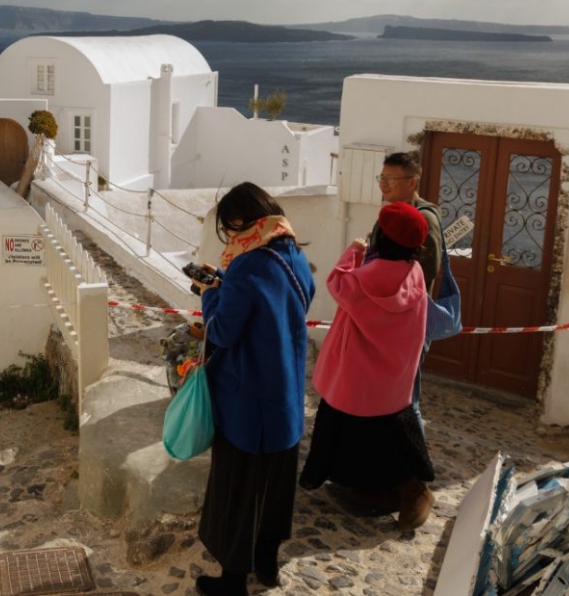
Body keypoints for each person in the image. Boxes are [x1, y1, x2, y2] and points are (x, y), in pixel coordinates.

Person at [188, 182, 316, 596]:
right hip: (285, 398)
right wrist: (226, 283)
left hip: (246, 400)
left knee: (238, 489)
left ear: (242, 221)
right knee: (274, 489)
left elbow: (223, 331)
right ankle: (268, 565)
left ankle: (232, 581)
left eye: (230, 226)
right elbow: (272, 304)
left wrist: (210, 294)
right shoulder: (294, 256)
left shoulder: (246, 266)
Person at [299, 201, 436, 531]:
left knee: (352, 428)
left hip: (357, 372)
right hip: (394, 371)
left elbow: (336, 283)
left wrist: (353, 252)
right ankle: (390, 488)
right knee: (388, 432)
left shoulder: (362, 280)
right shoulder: (414, 273)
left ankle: (404, 489)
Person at [370, 150, 443, 415]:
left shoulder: (423, 219)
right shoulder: (392, 214)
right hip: (387, 319)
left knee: (405, 399)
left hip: (407, 321)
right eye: (382, 177)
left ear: (412, 182)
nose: (383, 184)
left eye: (391, 178)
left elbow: (426, 272)